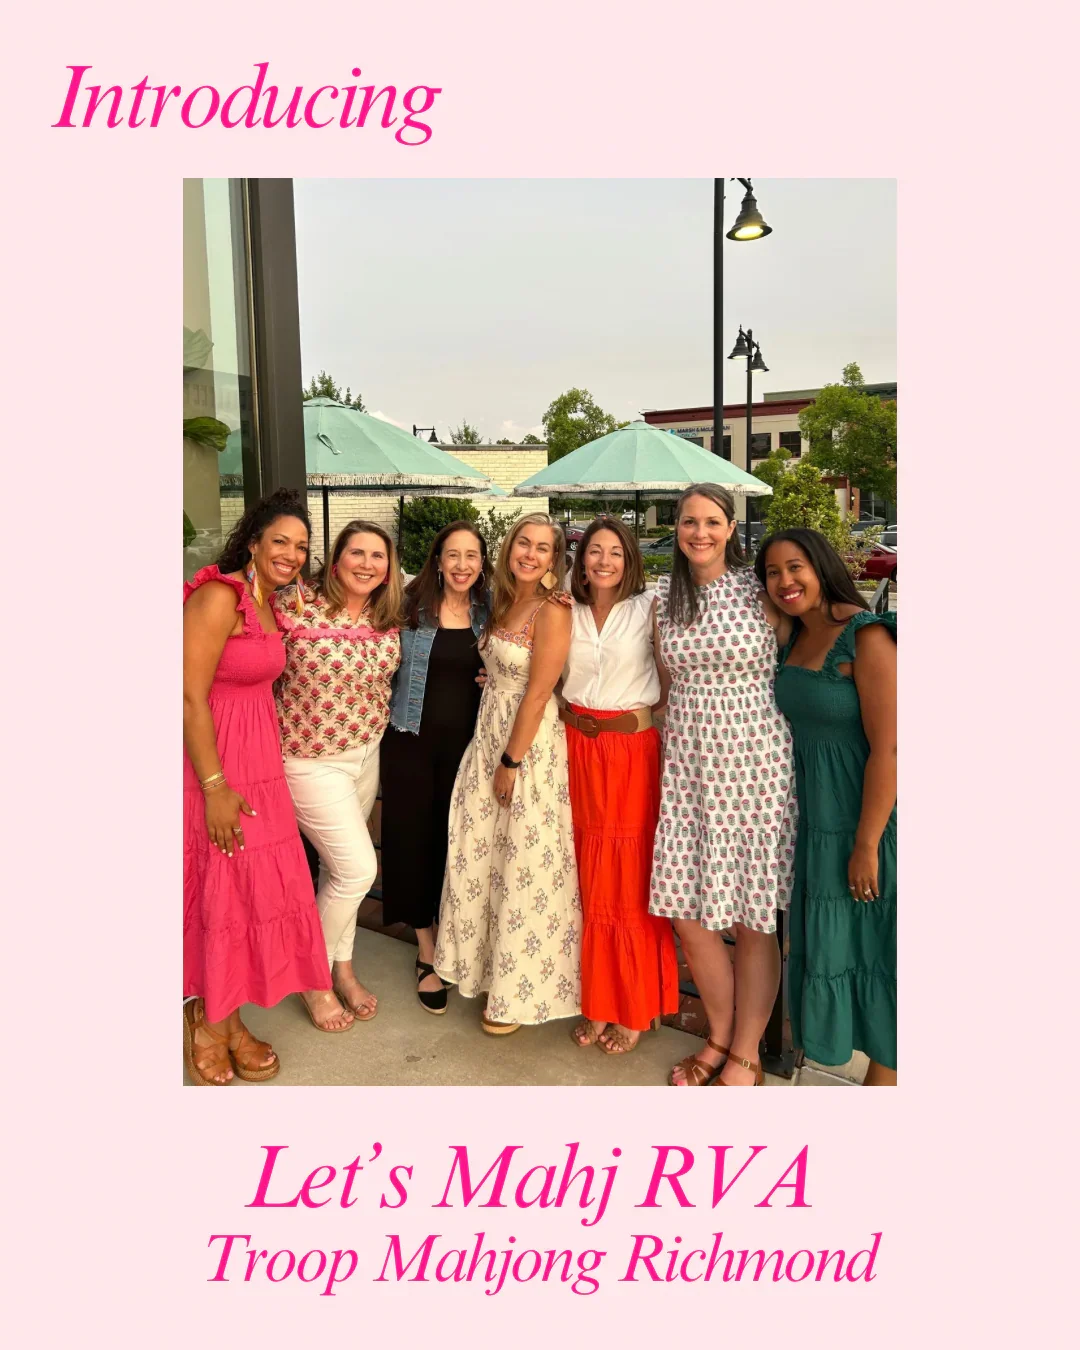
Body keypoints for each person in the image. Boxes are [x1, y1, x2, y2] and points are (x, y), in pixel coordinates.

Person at [183, 489, 332, 1085]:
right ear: (252, 542)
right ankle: (209, 1023)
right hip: (214, 766)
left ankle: (226, 1016)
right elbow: (187, 695)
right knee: (219, 886)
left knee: (246, 893)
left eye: (301, 546)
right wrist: (214, 786)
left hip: (259, 763)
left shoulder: (269, 603)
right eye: (280, 542)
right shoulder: (219, 596)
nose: (292, 554)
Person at [650, 483, 797, 1087]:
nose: (700, 533)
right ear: (677, 527)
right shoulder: (664, 599)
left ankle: (746, 1051)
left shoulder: (758, 591)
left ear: (731, 527)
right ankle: (718, 1033)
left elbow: (807, 650)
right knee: (685, 911)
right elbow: (662, 689)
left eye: (712, 522)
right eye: (689, 522)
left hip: (756, 766)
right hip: (688, 767)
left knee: (752, 918)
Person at [758, 528, 896, 1085]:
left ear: (821, 567)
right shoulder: (793, 636)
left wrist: (867, 844)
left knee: (880, 954)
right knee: (842, 953)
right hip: (814, 821)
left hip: (868, 822)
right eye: (773, 572)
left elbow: (890, 748)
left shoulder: (865, 636)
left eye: (795, 567)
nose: (785, 581)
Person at [434, 513, 582, 1033]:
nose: (531, 554)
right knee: (482, 857)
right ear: (510, 547)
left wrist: (511, 762)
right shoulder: (503, 600)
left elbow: (539, 693)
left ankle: (519, 992)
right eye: (524, 543)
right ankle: (484, 971)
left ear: (554, 559)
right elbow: (505, 664)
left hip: (526, 746)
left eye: (543, 548)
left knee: (523, 862)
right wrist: (492, 674)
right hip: (489, 732)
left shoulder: (553, 609)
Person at [274, 519, 403, 1032]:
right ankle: (311, 978)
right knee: (357, 870)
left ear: (388, 568)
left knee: (337, 873)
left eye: (378, 556)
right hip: (308, 758)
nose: (367, 564)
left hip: (365, 753)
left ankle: (342, 969)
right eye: (357, 553)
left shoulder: (385, 613)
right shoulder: (294, 605)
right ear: (336, 559)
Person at [562, 516, 678, 1054]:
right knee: (584, 876)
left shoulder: (650, 606)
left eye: (615, 552)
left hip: (631, 753)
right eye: (595, 551)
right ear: (581, 559)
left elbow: (673, 678)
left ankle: (632, 1004)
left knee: (628, 878)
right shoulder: (565, 608)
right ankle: (595, 999)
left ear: (630, 559)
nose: (604, 561)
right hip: (574, 749)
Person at [381, 522, 489, 1013]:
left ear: (482, 562)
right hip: (411, 743)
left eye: (471, 555)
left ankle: (456, 939)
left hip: (470, 749)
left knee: (459, 845)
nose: (462, 565)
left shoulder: (493, 611)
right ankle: (427, 951)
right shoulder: (409, 608)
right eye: (453, 555)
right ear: (439, 561)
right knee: (413, 843)